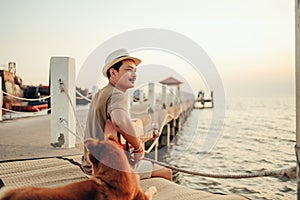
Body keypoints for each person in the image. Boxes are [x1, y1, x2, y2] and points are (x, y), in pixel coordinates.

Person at [82, 49, 172, 181]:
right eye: (129, 70)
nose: (134, 75)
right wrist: (138, 148)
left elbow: (113, 131)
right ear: (113, 72)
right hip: (108, 168)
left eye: (135, 71)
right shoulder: (117, 94)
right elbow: (120, 122)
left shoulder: (100, 94)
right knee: (166, 172)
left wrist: (144, 137)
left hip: (90, 164)